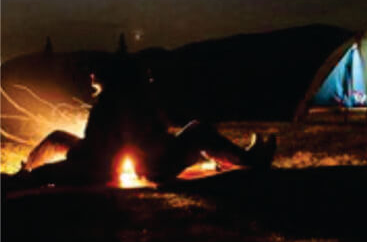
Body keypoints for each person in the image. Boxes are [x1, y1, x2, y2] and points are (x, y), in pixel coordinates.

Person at [6, 56, 276, 189]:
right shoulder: (122, 101)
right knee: (198, 130)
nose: (90, 76)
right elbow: (128, 141)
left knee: (197, 131)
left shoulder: (118, 102)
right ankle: (26, 172)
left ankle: (249, 160)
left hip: (137, 162)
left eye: (95, 74)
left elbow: (132, 141)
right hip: (128, 163)